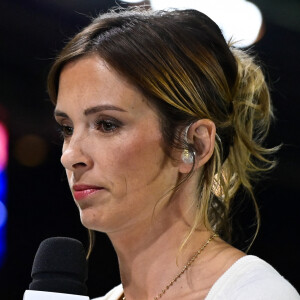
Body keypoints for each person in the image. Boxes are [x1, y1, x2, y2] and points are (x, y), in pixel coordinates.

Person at [48, 8, 299, 300]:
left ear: (195, 144)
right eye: (67, 128)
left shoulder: (255, 294)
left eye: (107, 124)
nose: (70, 156)